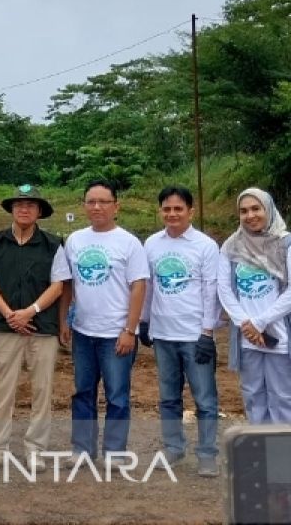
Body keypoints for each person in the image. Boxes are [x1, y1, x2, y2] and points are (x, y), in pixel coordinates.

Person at [56, 179, 148, 461]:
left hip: (116, 334)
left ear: (116, 206)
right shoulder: (75, 240)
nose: (97, 207)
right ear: (84, 206)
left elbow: (139, 286)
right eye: (91, 202)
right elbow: (68, 284)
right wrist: (64, 321)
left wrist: (129, 330)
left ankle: (115, 450)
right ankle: (82, 448)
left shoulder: (129, 243)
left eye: (103, 202)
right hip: (83, 332)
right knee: (83, 392)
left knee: (117, 395)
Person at [139, 185, 222, 477]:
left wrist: (207, 333)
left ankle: (208, 453)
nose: (172, 214)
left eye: (178, 209)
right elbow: (147, 287)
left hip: (194, 335)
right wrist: (144, 321)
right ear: (160, 211)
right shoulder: (151, 244)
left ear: (190, 211)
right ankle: (173, 447)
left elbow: (212, 290)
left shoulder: (205, 246)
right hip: (163, 335)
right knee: (168, 397)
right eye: (167, 209)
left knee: (205, 399)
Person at [0, 185, 66, 467]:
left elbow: (58, 285)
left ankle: (35, 449)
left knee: (42, 390)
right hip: (6, 327)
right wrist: (9, 314)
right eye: (19, 204)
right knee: (2, 389)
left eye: (31, 204)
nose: (24, 208)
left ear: (39, 211)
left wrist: (30, 311)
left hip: (42, 327)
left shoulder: (54, 244)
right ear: (11, 209)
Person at [217, 187, 291, 425]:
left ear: (268, 209)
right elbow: (225, 289)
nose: (250, 215)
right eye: (244, 211)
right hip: (248, 337)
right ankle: (259, 451)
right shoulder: (231, 246)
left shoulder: (285, 243)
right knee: (253, 395)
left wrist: (259, 322)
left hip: (278, 335)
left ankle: (282, 454)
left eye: (256, 208)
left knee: (282, 396)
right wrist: (246, 325)